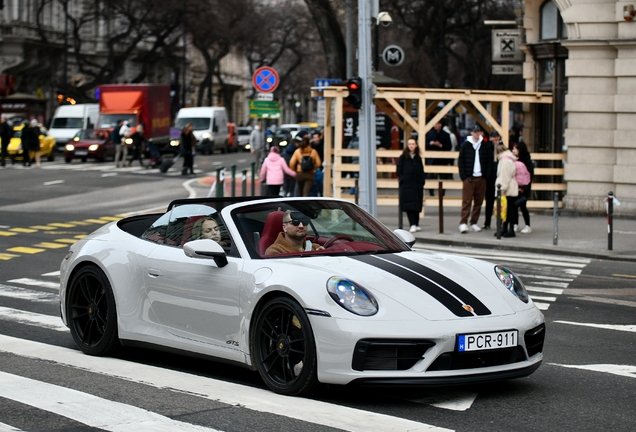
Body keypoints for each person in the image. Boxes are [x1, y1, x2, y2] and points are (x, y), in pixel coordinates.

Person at [457, 125, 494, 233]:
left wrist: (485, 176)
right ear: (471, 133)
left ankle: (474, 222)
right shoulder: (466, 146)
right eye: (475, 132)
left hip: (481, 177)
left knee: (479, 201)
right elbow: (461, 161)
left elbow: (489, 161)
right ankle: (463, 222)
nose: (477, 134)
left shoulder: (485, 146)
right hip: (469, 178)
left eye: (479, 131)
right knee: (467, 201)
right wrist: (464, 176)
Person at [396, 137, 425, 233]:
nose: (411, 146)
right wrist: (402, 180)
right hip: (407, 186)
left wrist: (422, 182)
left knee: (417, 205)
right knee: (410, 206)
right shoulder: (403, 157)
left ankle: (416, 224)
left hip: (417, 185)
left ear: (416, 145)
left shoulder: (418, 158)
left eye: (413, 144)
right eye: (409, 144)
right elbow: (399, 170)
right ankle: (412, 224)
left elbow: (421, 171)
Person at [495, 143, 519, 238]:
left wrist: (502, 189)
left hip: (507, 189)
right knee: (509, 210)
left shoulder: (504, 161)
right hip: (511, 187)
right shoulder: (508, 158)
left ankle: (509, 229)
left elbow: (504, 176)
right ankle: (506, 228)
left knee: (507, 210)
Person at [289, 130, 321, 197]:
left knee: (299, 192)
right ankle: (305, 204)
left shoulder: (297, 151)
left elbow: (291, 163)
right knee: (306, 192)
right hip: (310, 174)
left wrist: (296, 170)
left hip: (300, 174)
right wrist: (313, 168)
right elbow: (318, 163)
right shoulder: (313, 151)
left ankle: (300, 205)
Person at [425, 119, 452, 195]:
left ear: (440, 124)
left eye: (437, 124)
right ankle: (431, 192)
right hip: (432, 159)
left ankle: (442, 193)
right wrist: (431, 143)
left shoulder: (446, 134)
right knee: (431, 176)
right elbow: (425, 144)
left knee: (443, 177)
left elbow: (449, 146)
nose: (435, 126)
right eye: (434, 124)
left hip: (442, 159)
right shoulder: (430, 133)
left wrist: (440, 145)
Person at [512, 141, 534, 234]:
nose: (513, 150)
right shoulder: (515, 160)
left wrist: (524, 188)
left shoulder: (527, 161)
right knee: (514, 206)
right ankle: (515, 224)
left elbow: (530, 176)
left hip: (524, 188)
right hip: (515, 187)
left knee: (523, 207)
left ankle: (527, 225)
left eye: (515, 149)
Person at [482, 130, 500, 229]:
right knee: (489, 201)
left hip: (499, 177)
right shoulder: (486, 147)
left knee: (500, 201)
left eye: (497, 136)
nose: (496, 138)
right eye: (494, 137)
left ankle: (500, 223)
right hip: (489, 178)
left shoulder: (502, 148)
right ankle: (487, 222)